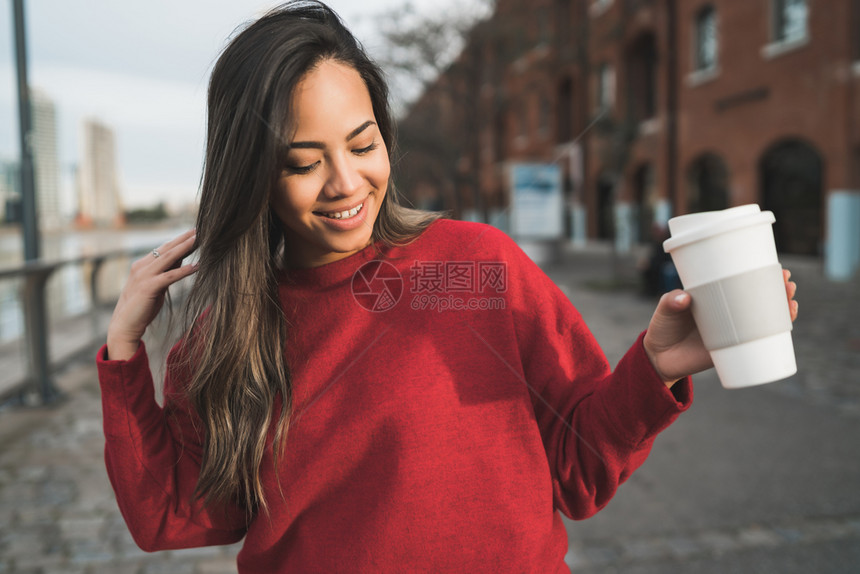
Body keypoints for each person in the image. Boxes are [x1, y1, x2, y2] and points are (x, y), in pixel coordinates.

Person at [97, 2, 799, 572]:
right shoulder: (233, 328)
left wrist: (653, 368)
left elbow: (578, 473)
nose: (345, 183)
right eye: (302, 162)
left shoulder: (481, 265)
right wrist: (124, 352)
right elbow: (171, 515)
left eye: (362, 144)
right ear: (253, 174)